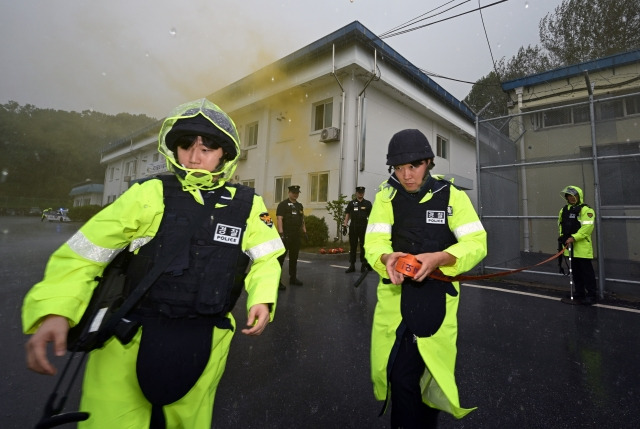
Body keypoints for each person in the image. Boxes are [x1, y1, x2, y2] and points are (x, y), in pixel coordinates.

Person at [22, 99, 285, 428]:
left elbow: (267, 257)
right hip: (128, 337)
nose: (194, 155)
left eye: (208, 146)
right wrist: (56, 309)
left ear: (225, 154)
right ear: (174, 150)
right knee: (110, 422)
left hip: (206, 337)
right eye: (185, 145)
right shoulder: (146, 193)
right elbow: (84, 254)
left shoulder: (248, 204)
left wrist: (262, 298)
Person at [364, 129, 487, 428]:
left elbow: (476, 243)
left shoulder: (452, 196)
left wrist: (440, 258)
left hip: (437, 303)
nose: (406, 175)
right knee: (400, 376)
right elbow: (374, 243)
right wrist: (386, 258)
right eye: (399, 168)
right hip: (395, 302)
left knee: (429, 376)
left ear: (429, 162)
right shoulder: (385, 198)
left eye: (414, 166)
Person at [558, 185, 597, 305]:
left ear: (578, 196)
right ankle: (579, 292)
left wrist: (574, 238)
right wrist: (563, 238)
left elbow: (587, 228)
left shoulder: (586, 210)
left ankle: (591, 295)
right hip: (570, 248)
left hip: (582, 247)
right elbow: (561, 225)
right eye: (569, 196)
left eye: (573, 196)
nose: (571, 198)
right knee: (575, 272)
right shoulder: (564, 210)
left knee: (587, 272)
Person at [276, 185, 306, 288]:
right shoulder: (283, 205)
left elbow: (302, 219)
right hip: (286, 234)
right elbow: (279, 219)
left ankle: (293, 278)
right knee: (281, 259)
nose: (295, 194)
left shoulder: (299, 206)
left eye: (297, 193)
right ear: (289, 193)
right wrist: (281, 234)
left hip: (296, 235)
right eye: (293, 192)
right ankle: (277, 281)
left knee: (294, 257)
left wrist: (304, 232)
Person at [343, 186, 372, 273]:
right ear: (356, 193)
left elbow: (371, 216)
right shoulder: (351, 203)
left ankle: (363, 264)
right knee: (353, 246)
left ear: (364, 193)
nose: (360, 194)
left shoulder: (368, 203)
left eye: (362, 192)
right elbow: (347, 214)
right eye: (359, 192)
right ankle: (352, 265)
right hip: (354, 227)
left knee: (364, 246)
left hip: (364, 227)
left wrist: (372, 228)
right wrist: (345, 225)